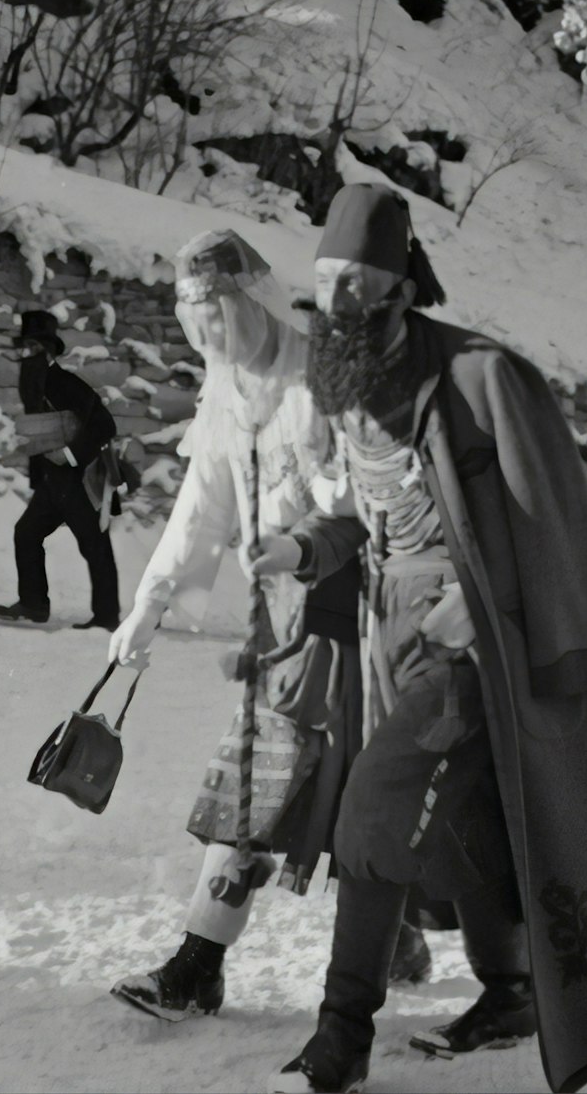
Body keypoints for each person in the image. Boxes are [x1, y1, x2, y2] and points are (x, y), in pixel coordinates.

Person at [245, 184, 587, 1094]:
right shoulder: (345, 387)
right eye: (325, 280)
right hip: (392, 637)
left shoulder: (483, 377)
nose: (335, 303)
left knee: (375, 807)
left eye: (357, 283)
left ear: (401, 289)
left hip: (475, 649)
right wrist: (301, 546)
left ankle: (340, 1041)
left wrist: (483, 610)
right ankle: (512, 987)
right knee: (464, 823)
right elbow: (367, 520)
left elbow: (556, 518)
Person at [107, 229, 427, 1023]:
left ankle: (403, 930)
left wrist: (307, 518)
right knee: (259, 783)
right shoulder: (225, 396)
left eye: (217, 316)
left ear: (251, 302)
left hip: (358, 617)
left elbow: (373, 496)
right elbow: (201, 506)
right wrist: (149, 601)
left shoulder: (327, 378)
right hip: (283, 629)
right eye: (195, 323)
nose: (210, 337)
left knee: (365, 791)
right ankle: (200, 964)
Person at [0, 309, 120, 631]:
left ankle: (106, 617)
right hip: (52, 484)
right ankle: (34, 603)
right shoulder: (34, 385)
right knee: (27, 533)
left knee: (94, 545)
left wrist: (71, 454)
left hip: (79, 481)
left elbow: (104, 425)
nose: (24, 355)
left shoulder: (65, 383)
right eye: (22, 349)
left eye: (30, 348)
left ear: (46, 351)